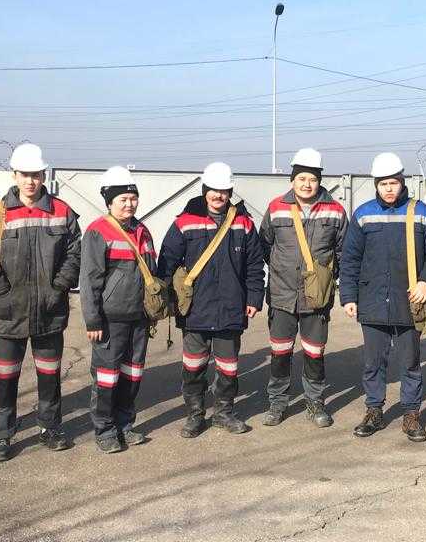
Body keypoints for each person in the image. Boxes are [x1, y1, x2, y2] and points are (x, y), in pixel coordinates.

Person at [0, 143, 81, 462]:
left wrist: (59, 286)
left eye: (36, 174)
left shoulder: (61, 211)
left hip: (50, 313)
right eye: (25, 174)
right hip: (9, 314)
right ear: (15, 175)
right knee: (5, 379)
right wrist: (0, 292)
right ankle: (2, 435)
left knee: (49, 377)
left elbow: (75, 252)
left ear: (44, 176)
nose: (30, 181)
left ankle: (50, 428)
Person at [339, 152, 426, 442]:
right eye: (383, 183)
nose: (389, 188)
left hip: (409, 301)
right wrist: (348, 296)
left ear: (402, 182)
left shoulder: (421, 213)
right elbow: (350, 258)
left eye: (393, 183)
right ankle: (374, 411)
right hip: (372, 300)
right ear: (376, 184)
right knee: (373, 362)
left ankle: (411, 414)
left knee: (410, 362)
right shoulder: (363, 214)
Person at [158, 162, 265, 438]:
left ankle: (223, 413)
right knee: (194, 366)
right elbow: (167, 261)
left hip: (231, 307)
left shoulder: (243, 223)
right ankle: (195, 415)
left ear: (230, 192)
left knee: (228, 366)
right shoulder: (184, 222)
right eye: (214, 190)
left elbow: (255, 264)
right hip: (195, 309)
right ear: (205, 190)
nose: (219, 195)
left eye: (224, 191)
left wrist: (254, 297)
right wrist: (166, 299)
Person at [259, 148, 348, 428]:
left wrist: (328, 280)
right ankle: (277, 403)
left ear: (319, 180)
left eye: (312, 179)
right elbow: (264, 246)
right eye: (301, 178)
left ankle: (315, 402)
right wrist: (281, 270)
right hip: (282, 295)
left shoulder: (335, 211)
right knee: (280, 352)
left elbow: (344, 252)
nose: (307, 184)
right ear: (292, 179)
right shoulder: (276, 207)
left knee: (314, 353)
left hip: (317, 299)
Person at [79, 166, 156, 453]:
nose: (129, 204)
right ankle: (105, 430)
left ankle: (125, 425)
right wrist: (92, 320)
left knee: (132, 374)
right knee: (107, 377)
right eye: (123, 199)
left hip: (139, 318)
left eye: (133, 198)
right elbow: (89, 281)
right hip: (109, 321)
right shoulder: (97, 231)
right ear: (109, 201)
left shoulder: (143, 231)